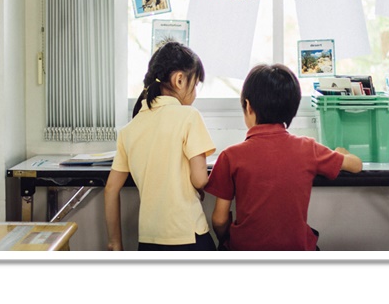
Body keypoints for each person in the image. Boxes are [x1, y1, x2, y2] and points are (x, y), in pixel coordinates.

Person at [205, 63, 362, 251]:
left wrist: (225, 239)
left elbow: (219, 220)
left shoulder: (230, 156)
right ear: (292, 109)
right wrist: (341, 153)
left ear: (248, 106)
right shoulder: (308, 148)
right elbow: (356, 165)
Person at [104, 42, 217, 251]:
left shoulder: (129, 130)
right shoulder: (189, 116)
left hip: (148, 242)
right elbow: (200, 179)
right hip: (188, 237)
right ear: (179, 80)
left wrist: (115, 242)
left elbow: (111, 189)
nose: (195, 93)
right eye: (195, 85)